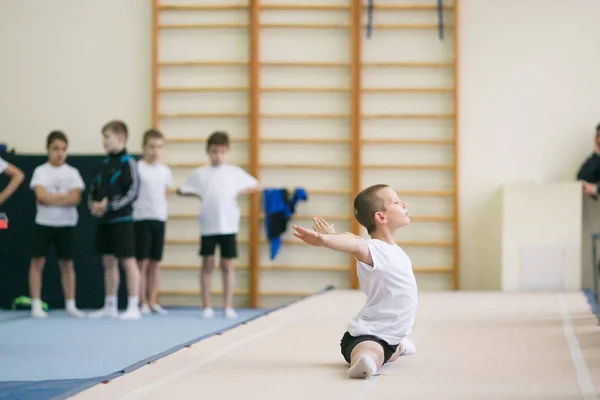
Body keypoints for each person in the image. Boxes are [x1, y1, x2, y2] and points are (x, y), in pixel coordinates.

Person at [293, 184, 417, 379]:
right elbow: (353, 243)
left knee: (388, 350)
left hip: (390, 334)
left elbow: (351, 238)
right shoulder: (373, 249)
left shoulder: (393, 250)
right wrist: (326, 240)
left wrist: (332, 235)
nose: (404, 203)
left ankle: (399, 346)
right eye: (396, 201)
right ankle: (365, 362)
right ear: (381, 217)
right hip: (365, 335)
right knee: (373, 352)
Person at [177, 131, 261, 319]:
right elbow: (182, 190)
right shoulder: (200, 174)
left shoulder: (233, 173)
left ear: (227, 152)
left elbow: (257, 185)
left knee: (227, 264)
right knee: (207, 263)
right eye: (215, 152)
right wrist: (199, 195)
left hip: (228, 225)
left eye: (222, 152)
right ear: (208, 151)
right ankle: (206, 306)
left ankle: (228, 305)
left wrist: (238, 192)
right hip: (208, 225)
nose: (218, 156)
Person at [28, 131, 86, 318]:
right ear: (48, 150)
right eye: (55, 149)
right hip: (44, 223)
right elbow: (40, 197)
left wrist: (51, 197)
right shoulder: (40, 171)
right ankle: (36, 304)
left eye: (63, 149)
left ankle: (71, 305)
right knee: (38, 262)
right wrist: (63, 197)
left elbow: (75, 198)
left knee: (67, 264)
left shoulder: (73, 173)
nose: (60, 153)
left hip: (66, 224)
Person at [88, 120, 141, 320]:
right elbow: (94, 189)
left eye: (107, 137)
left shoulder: (129, 162)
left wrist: (109, 206)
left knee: (128, 261)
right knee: (108, 262)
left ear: (121, 138)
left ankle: (133, 305)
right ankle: (110, 305)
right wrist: (93, 206)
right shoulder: (103, 163)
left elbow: (133, 192)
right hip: (105, 222)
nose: (104, 141)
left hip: (123, 220)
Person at [133, 129, 174, 315]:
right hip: (141, 218)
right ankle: (141, 301)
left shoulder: (165, 171)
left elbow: (165, 192)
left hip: (159, 218)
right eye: (151, 146)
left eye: (159, 147)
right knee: (142, 263)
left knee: (155, 263)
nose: (155, 151)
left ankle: (152, 301)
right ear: (143, 147)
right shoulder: (137, 168)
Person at [577, 123, 600, 197]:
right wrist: (597, 154)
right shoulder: (596, 161)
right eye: (598, 136)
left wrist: (597, 189)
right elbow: (581, 182)